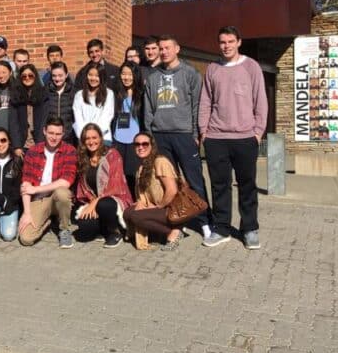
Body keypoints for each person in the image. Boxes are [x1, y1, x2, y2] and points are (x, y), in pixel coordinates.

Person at [199, 26, 268, 250]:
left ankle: (249, 229)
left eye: (230, 41)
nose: (226, 46)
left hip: (245, 137)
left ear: (239, 42)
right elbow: (206, 102)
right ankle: (221, 228)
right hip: (216, 137)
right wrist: (204, 132)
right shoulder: (212, 69)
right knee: (220, 186)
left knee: (247, 185)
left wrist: (257, 133)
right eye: (222, 42)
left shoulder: (251, 67)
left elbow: (261, 102)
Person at [143, 35, 212, 241]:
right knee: (168, 183)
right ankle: (177, 222)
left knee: (194, 181)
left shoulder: (190, 73)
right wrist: (150, 135)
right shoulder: (153, 78)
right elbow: (148, 109)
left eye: (167, 48)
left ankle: (205, 222)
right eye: (161, 48)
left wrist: (195, 134)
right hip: (160, 136)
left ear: (177, 49)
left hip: (183, 135)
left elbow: (196, 106)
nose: (163, 52)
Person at [17, 116, 77, 248]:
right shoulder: (33, 151)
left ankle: (64, 229)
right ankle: (48, 221)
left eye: (58, 134)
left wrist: (36, 189)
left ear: (63, 134)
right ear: (44, 131)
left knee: (62, 193)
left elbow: (66, 182)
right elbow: (26, 184)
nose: (54, 137)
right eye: (51, 133)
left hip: (58, 199)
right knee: (26, 238)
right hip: (39, 200)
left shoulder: (70, 151)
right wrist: (27, 213)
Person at [74, 123, 133, 248]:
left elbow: (115, 186)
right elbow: (83, 188)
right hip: (93, 201)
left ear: (100, 138)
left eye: (94, 137)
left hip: (113, 200)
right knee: (85, 231)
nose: (91, 142)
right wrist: (90, 203)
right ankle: (102, 228)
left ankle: (115, 232)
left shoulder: (112, 155)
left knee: (104, 204)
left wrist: (95, 203)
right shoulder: (83, 159)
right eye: (87, 138)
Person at [122, 132, 183, 250]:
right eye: (137, 144)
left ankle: (174, 231)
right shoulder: (142, 167)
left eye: (145, 144)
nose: (141, 147)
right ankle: (156, 233)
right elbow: (144, 195)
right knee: (128, 212)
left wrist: (157, 207)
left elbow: (172, 190)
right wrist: (142, 203)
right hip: (157, 206)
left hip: (171, 207)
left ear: (152, 146)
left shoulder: (160, 161)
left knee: (137, 217)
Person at [112, 62, 143, 196]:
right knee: (119, 176)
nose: (126, 77)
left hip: (134, 141)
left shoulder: (141, 95)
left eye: (130, 74)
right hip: (118, 140)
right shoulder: (116, 94)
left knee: (132, 175)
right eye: (123, 74)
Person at [72, 63, 115, 144]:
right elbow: (78, 118)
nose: (93, 78)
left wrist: (94, 136)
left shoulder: (109, 94)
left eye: (97, 76)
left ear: (101, 77)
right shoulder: (79, 95)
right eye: (90, 75)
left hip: (102, 138)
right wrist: (86, 136)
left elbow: (107, 116)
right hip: (83, 138)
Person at [8, 64, 45, 157]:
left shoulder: (43, 94)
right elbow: (13, 122)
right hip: (22, 144)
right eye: (24, 76)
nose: (27, 78)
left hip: (39, 142)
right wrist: (17, 146)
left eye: (30, 75)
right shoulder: (16, 95)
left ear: (35, 76)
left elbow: (45, 121)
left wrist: (40, 144)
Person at [41, 61, 75, 143]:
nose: (57, 79)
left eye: (60, 75)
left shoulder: (73, 91)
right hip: (50, 138)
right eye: (54, 76)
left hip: (68, 137)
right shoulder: (45, 91)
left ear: (66, 75)